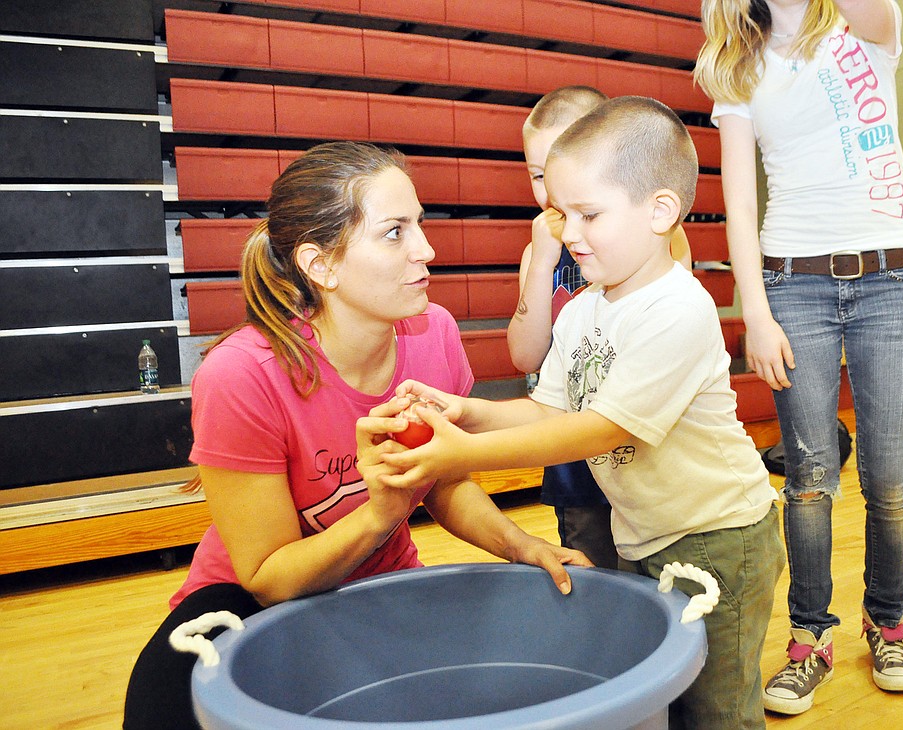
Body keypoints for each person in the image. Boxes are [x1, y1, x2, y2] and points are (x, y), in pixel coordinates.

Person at [122, 141, 592, 730]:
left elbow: (445, 483)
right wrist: (379, 514)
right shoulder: (240, 375)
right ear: (322, 265)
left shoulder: (434, 334)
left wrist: (521, 544)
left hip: (381, 585)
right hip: (247, 600)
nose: (428, 249)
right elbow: (270, 578)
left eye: (420, 224)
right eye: (395, 232)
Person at [371, 96, 785, 730]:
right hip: (644, 533)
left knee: (716, 710)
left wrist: (463, 454)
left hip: (719, 539)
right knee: (658, 690)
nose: (567, 234)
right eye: (563, 214)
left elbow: (599, 429)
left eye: (589, 214)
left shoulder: (678, 308)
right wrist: (466, 412)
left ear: (660, 212)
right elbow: (547, 411)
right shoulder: (584, 309)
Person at [695, 0, 903, 715]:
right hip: (794, 285)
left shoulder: (866, 24)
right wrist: (754, 313)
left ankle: (887, 623)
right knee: (810, 478)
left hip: (892, 280)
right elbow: (738, 200)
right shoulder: (735, 62)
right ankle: (810, 635)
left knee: (888, 478)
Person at [509, 85, 693, 570]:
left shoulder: (656, 236)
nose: (551, 191)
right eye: (538, 175)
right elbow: (525, 357)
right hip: (565, 430)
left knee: (652, 562)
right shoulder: (543, 248)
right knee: (589, 557)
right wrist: (542, 262)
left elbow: (674, 331)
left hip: (637, 435)